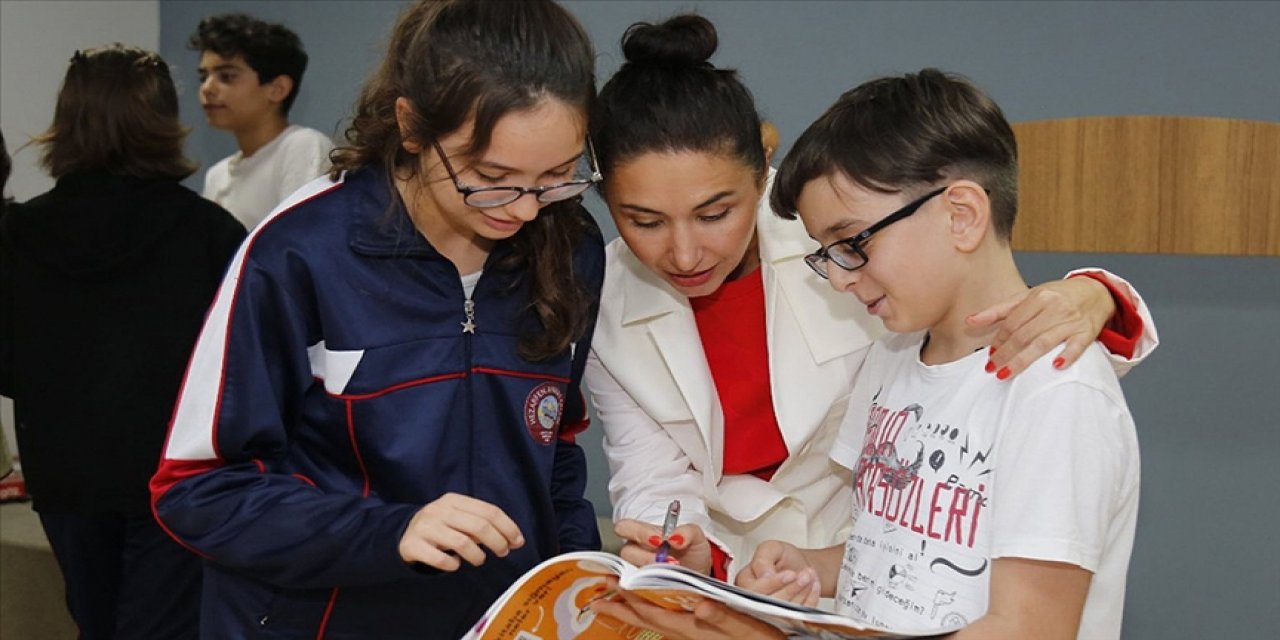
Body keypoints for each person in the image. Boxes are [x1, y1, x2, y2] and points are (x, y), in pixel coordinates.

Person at [583, 14, 1154, 584]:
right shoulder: (605, 299)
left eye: (714, 214)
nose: (685, 254)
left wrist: (1097, 294)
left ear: (760, 168)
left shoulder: (838, 231)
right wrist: (685, 551)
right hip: (762, 575)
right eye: (644, 220)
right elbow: (653, 477)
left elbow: (988, 330)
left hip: (880, 562)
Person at [149, 1, 605, 637]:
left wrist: (584, 578)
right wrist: (393, 530)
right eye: (491, 177)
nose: (526, 209)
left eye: (558, 176)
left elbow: (552, 453)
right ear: (411, 126)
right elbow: (197, 490)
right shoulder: (303, 251)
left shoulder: (568, 245)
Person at [0, 44, 246, 639]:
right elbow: (244, 365)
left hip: (63, 475)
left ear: (69, 117)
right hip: (172, 478)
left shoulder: (17, 235)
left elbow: (6, 367)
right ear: (161, 120)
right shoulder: (210, 233)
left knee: (95, 621)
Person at [192, 12, 334, 229]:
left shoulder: (303, 147)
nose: (207, 88)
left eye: (227, 76)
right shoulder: (216, 176)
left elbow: (303, 243)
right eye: (204, 77)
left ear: (278, 89)